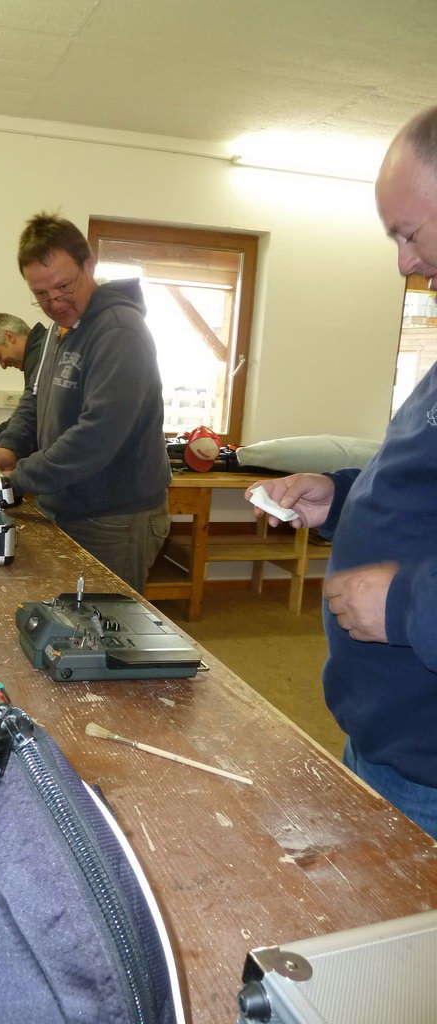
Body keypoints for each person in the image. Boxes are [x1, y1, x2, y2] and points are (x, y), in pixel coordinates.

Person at [246, 104, 437, 839]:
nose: (404, 263)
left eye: (410, 233)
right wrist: (342, 497)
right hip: (386, 735)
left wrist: (408, 605)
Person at [0, 212, 171, 591]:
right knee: (62, 615)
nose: (54, 303)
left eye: (64, 287)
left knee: (109, 620)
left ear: (89, 265)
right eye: (41, 294)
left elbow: (97, 436)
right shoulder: (62, 326)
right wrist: (10, 446)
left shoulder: (119, 331)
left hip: (115, 517)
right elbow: (35, 397)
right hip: (66, 503)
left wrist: (18, 479)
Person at [0, 313, 46, 449]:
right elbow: (28, 414)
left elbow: (33, 418)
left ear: (10, 337)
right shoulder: (43, 348)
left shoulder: (38, 356)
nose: (3, 365)